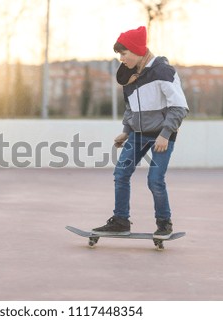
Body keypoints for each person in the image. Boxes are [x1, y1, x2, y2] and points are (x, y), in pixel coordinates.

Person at [92, 26, 188, 239]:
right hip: (137, 134)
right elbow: (131, 107)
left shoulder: (163, 71)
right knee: (121, 173)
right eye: (119, 54)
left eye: (124, 54)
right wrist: (126, 130)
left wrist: (165, 134)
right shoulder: (130, 76)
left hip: (162, 135)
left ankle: (164, 223)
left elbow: (179, 107)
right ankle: (120, 221)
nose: (121, 59)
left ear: (137, 51)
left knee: (154, 180)